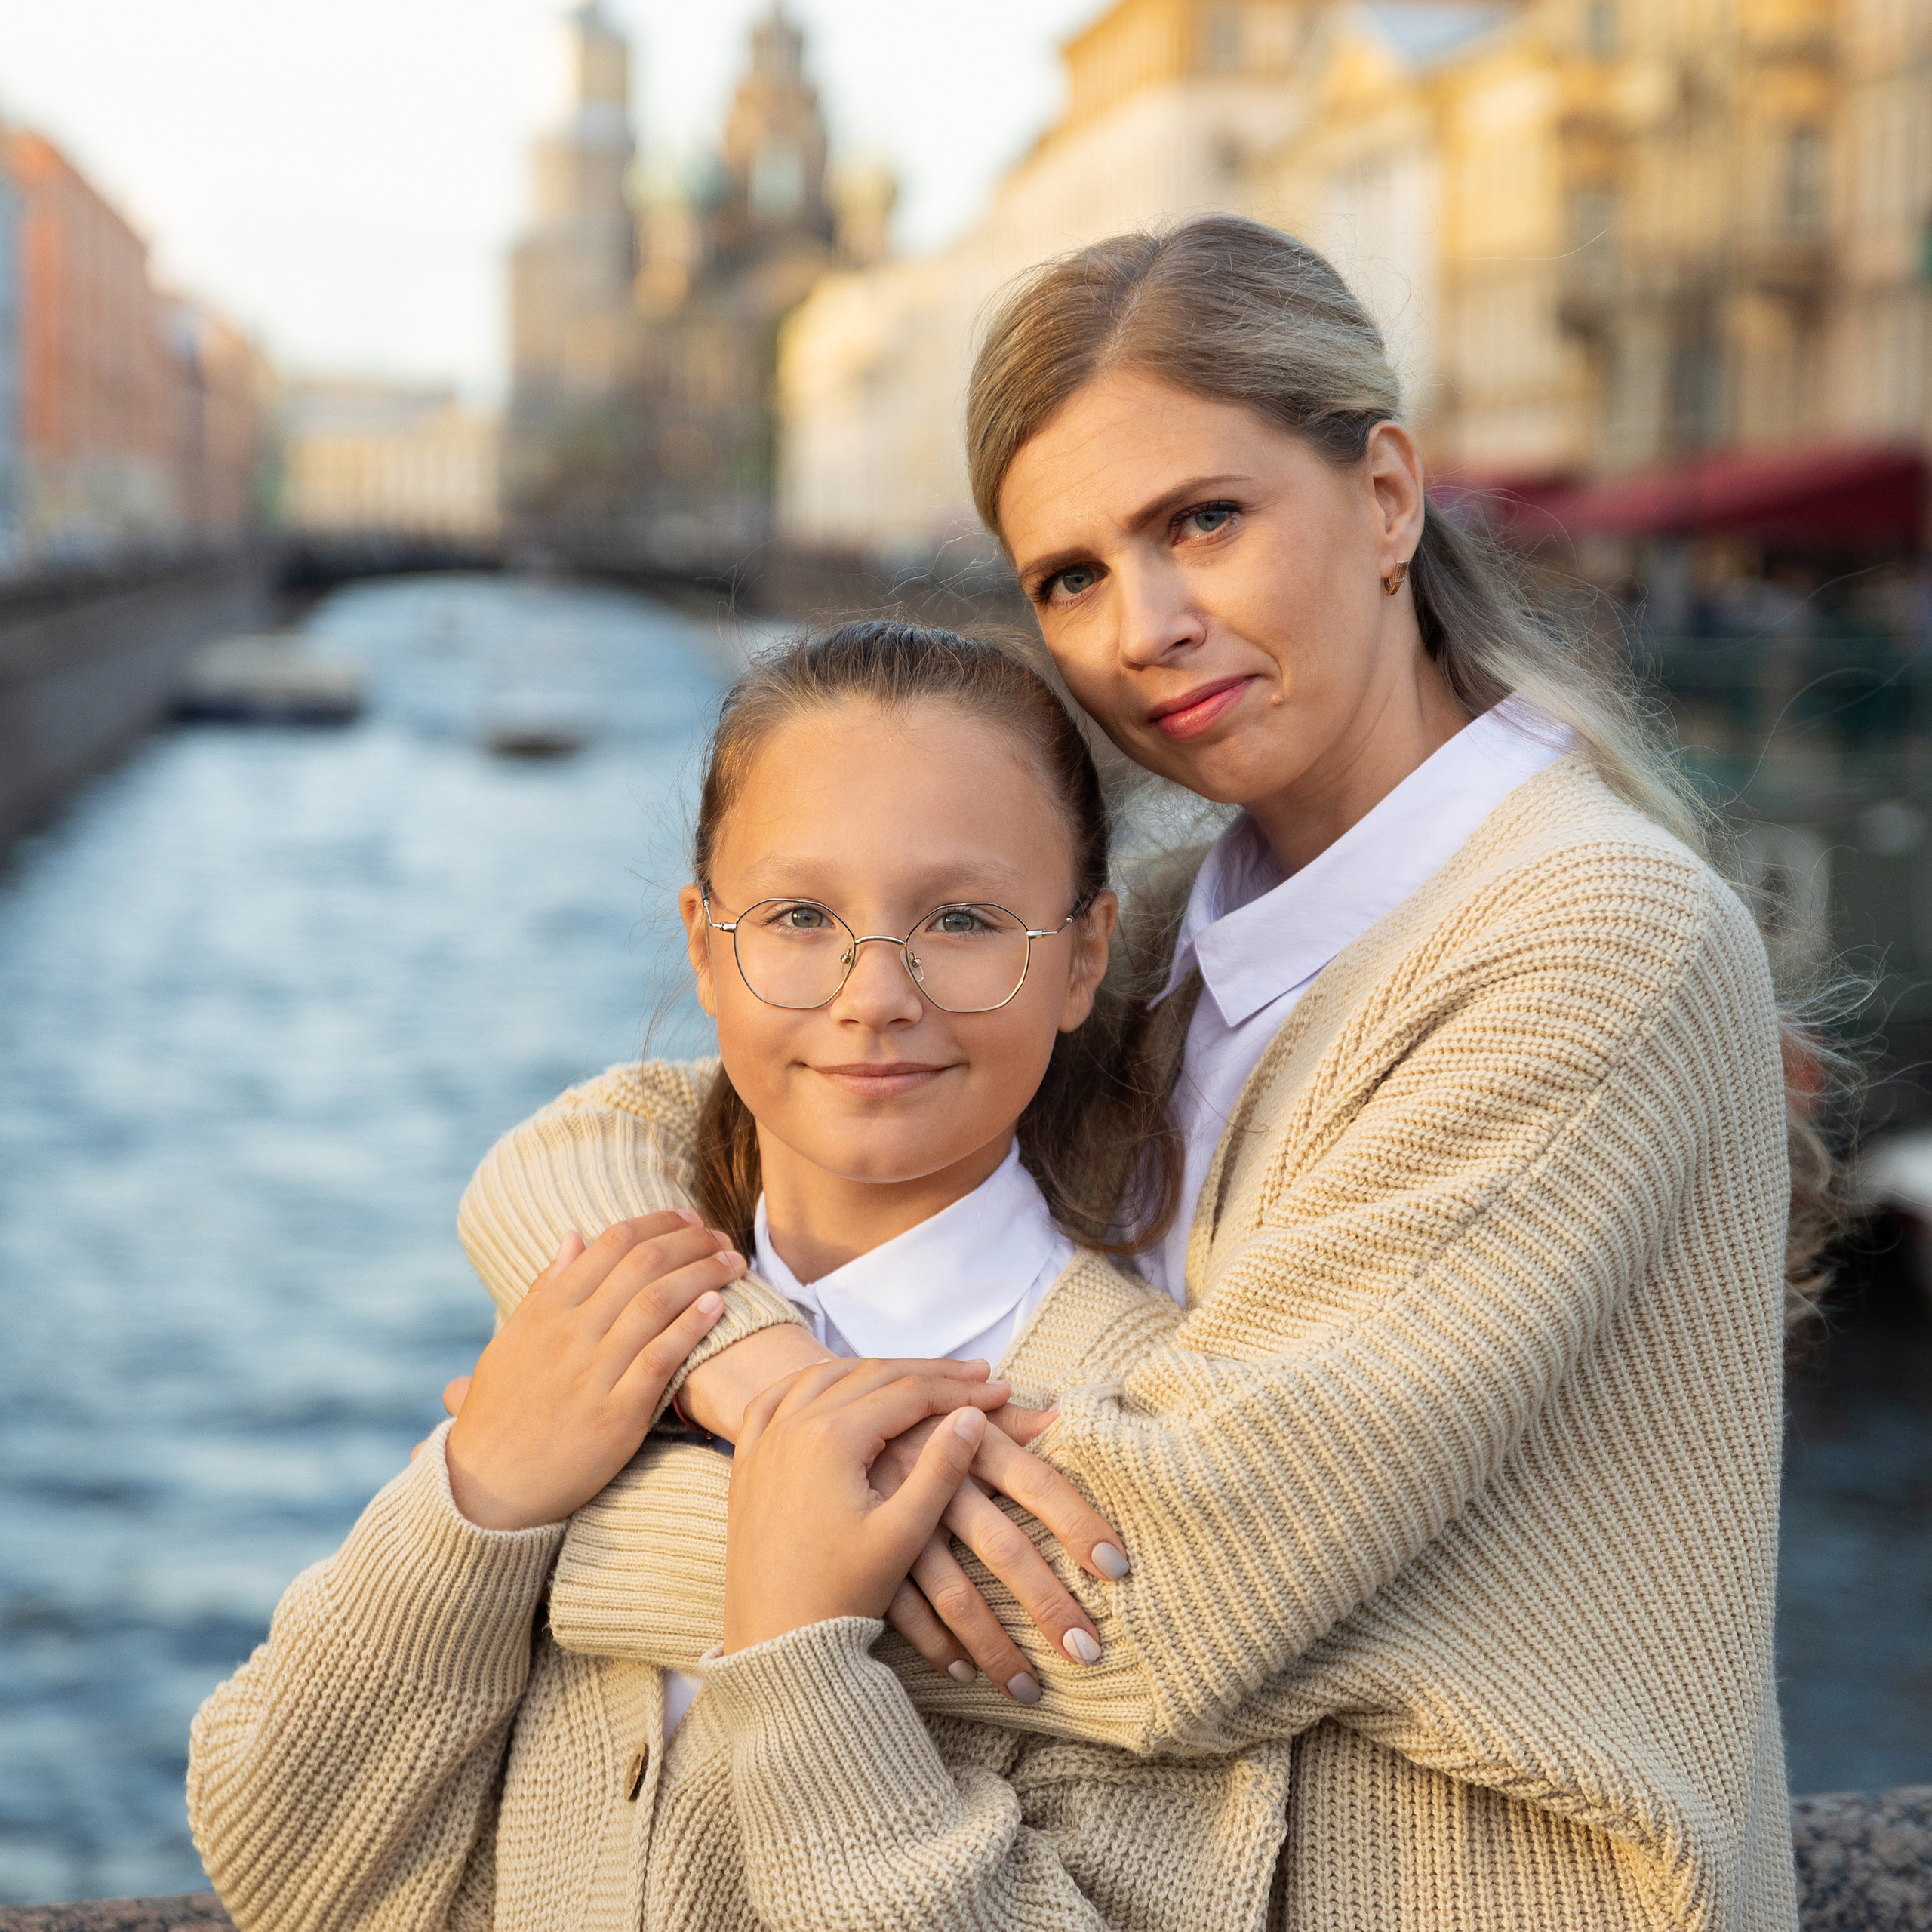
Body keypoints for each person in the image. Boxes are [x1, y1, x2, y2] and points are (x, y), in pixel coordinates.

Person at [454, 217, 1822, 1930]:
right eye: (1069, 578)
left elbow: (1165, 1591)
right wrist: (756, 1384)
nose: (1144, 628)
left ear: (1386, 496)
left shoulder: (1582, 935)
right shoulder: (1187, 919)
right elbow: (598, 1145)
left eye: (1201, 521)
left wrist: (528, 1521)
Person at [189, 623, 1300, 1932]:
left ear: (1082, 955)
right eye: (798, 918)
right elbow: (278, 1862)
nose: (874, 992)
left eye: (961, 920)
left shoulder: (1117, 1432)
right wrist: (478, 1504)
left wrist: (803, 1669)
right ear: (706, 951)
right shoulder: (602, 1333)